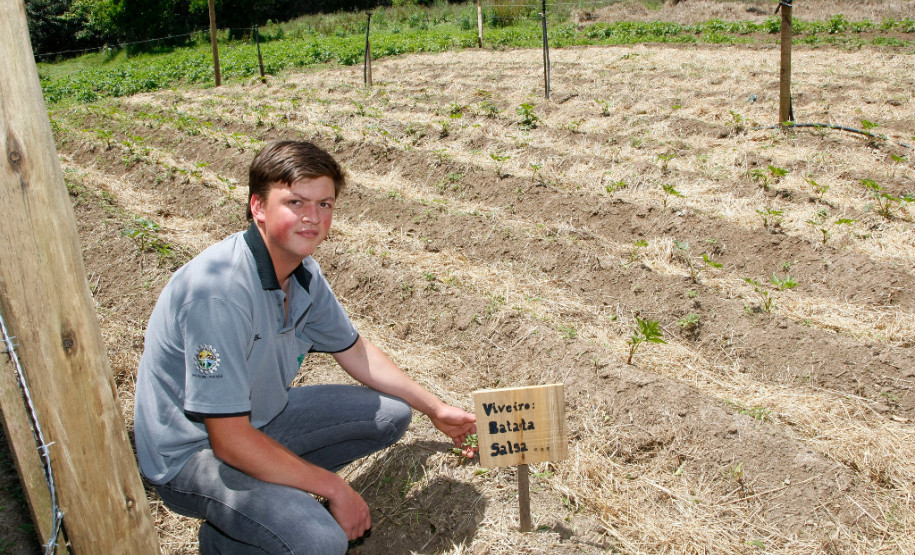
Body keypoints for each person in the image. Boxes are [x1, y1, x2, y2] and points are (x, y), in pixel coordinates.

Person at [133, 140, 477, 554]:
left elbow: (355, 352)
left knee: (391, 414)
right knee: (319, 540)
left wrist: (435, 408)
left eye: (325, 204)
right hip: (193, 454)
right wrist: (333, 488)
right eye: (296, 202)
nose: (313, 218)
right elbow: (227, 440)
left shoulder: (303, 273)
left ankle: (242, 527)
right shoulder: (219, 294)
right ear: (257, 206)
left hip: (259, 420)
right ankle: (249, 521)